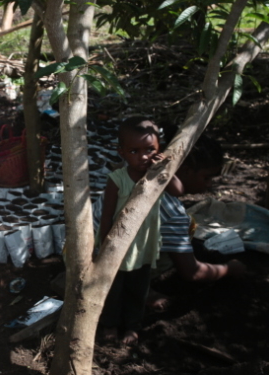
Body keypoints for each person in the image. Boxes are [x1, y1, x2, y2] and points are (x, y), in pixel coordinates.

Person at [97, 117, 182, 346]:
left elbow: (178, 190)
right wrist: (102, 246)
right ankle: (110, 324)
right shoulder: (117, 180)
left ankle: (133, 327)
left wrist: (166, 168)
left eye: (149, 150)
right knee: (113, 290)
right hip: (117, 247)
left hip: (143, 246)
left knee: (138, 289)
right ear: (121, 152)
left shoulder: (156, 176)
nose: (143, 156)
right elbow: (106, 215)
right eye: (134, 150)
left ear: (159, 150)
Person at [148, 131, 246, 309]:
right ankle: (138, 290)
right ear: (185, 170)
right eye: (206, 177)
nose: (209, 184)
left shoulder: (140, 177)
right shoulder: (172, 213)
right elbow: (192, 272)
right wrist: (229, 269)